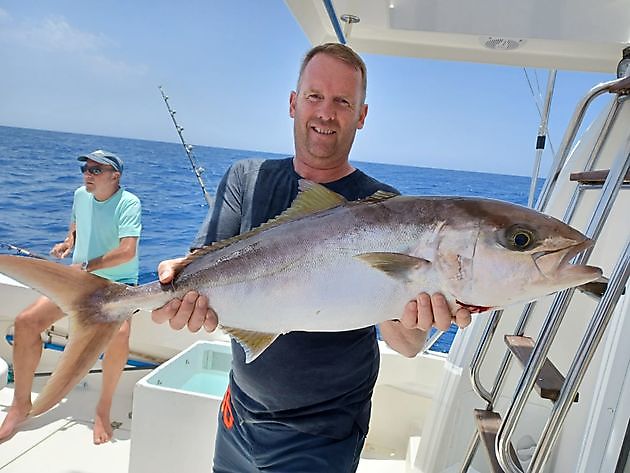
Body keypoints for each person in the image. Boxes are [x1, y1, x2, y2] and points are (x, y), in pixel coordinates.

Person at [151, 43, 471, 472]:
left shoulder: (387, 209)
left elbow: (407, 344)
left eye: (343, 101)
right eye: (315, 96)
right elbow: (203, 270)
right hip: (238, 413)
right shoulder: (246, 179)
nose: (325, 112)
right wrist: (180, 284)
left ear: (361, 116)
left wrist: (421, 316)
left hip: (323, 433)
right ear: (293, 103)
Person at [0, 149, 142, 445]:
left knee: (119, 337)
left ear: (115, 176)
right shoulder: (81, 195)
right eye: (86, 169)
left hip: (116, 284)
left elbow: (127, 251)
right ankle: (20, 405)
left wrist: (88, 265)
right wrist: (67, 243)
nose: (87, 175)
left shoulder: (129, 203)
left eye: (95, 170)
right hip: (79, 281)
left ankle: (103, 408)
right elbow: (77, 225)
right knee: (26, 323)